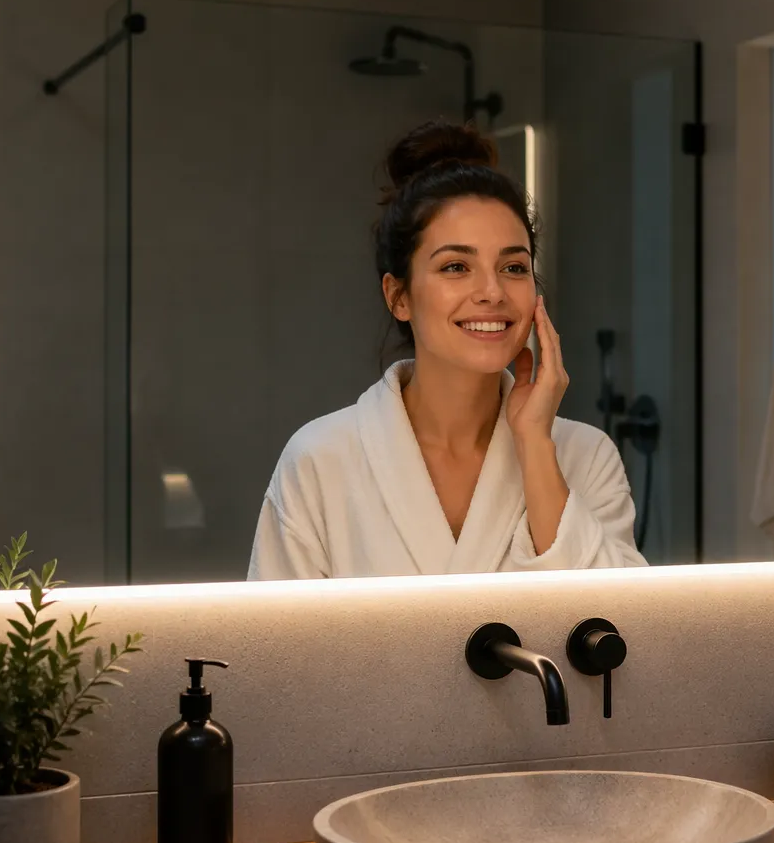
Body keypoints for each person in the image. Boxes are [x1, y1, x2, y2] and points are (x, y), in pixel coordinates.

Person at [248, 122, 646, 580]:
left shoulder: (585, 455)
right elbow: (279, 648)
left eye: (513, 267)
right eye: (456, 266)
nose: (492, 291)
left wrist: (535, 445)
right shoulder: (320, 459)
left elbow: (616, 632)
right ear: (398, 296)